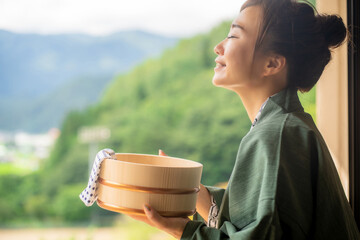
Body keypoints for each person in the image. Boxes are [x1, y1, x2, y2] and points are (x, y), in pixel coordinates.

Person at [127, 0, 360, 239]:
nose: (218, 47)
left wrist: (181, 230)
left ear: (272, 63)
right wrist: (192, 192)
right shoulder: (286, 127)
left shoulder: (276, 135)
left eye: (233, 36)